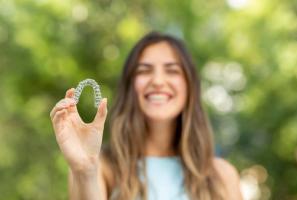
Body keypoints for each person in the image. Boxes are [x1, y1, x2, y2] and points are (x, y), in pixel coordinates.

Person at [50, 31, 243, 200]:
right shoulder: (100, 168)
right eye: (144, 70)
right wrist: (85, 170)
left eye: (172, 70)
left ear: (189, 86)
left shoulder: (222, 176)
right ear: (130, 86)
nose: (158, 81)